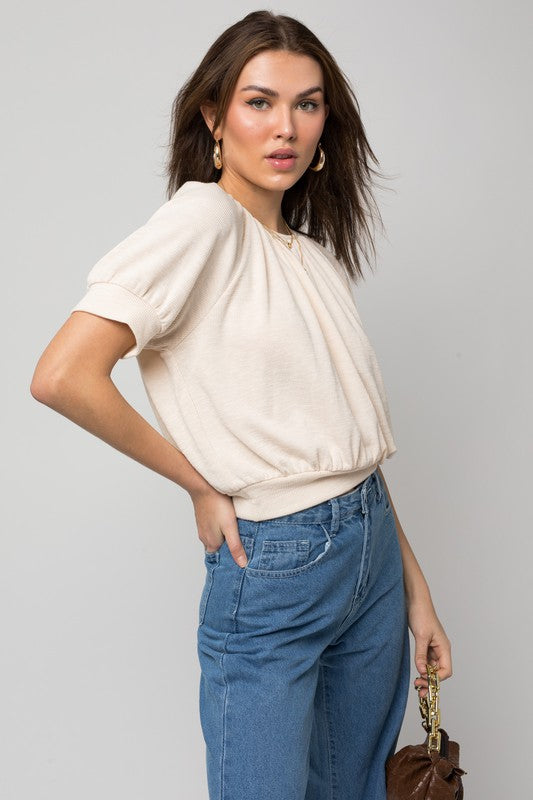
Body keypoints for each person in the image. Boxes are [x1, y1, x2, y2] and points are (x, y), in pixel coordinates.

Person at [30, 10, 452, 800]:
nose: (285, 126)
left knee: (352, 788)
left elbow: (345, 443)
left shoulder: (309, 254)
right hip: (279, 562)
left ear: (328, 121)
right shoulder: (203, 220)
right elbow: (63, 375)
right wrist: (197, 482)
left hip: (369, 559)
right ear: (213, 117)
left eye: (307, 102)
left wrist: (415, 588)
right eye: (259, 102)